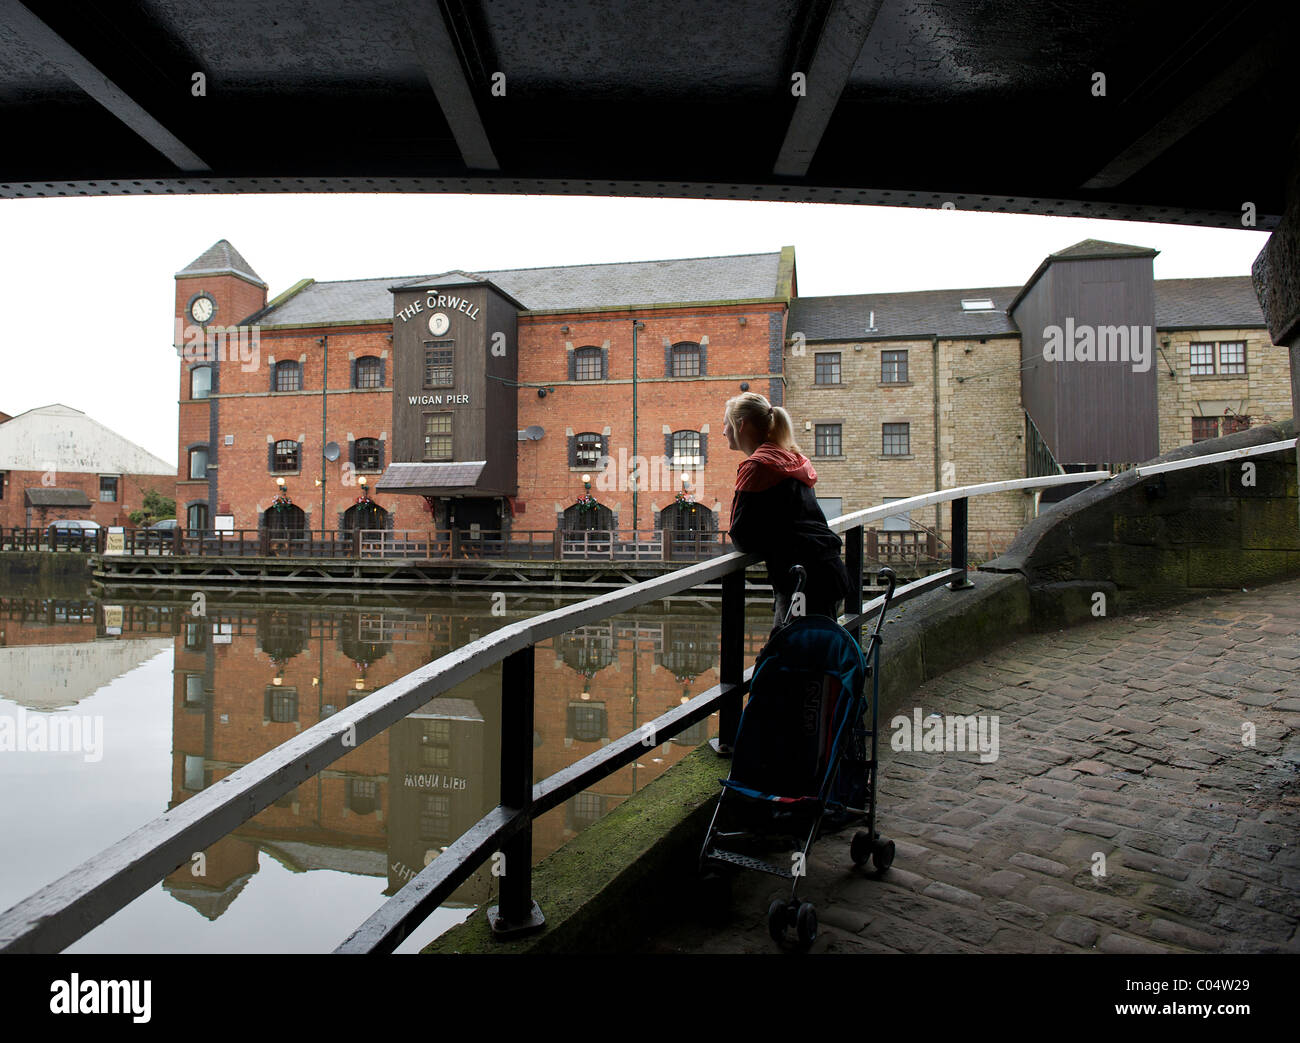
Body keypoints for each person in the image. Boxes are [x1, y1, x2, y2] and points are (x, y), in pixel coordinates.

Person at [723, 391, 852, 634]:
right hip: (829, 569)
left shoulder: (757, 466)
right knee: (816, 655)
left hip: (802, 582)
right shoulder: (792, 457)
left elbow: (741, 536)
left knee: (794, 656)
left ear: (740, 425)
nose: (723, 432)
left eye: (725, 424)